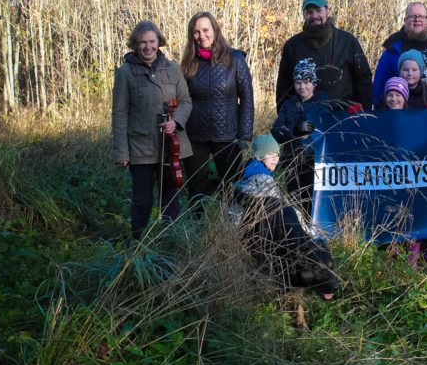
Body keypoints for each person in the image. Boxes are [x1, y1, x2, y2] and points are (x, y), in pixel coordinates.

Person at [232, 135, 339, 300]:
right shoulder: (264, 180)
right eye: (270, 154)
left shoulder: (249, 173)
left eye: (277, 154)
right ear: (259, 156)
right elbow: (271, 211)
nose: (275, 158)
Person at [112, 20, 193, 239]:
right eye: (143, 42)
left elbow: (186, 101)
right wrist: (122, 152)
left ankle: (169, 240)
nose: (148, 47)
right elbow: (119, 114)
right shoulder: (125, 73)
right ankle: (138, 244)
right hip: (140, 148)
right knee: (142, 200)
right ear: (136, 45)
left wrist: (175, 121)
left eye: (152, 41)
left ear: (159, 42)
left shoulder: (173, 69)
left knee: (171, 198)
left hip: (170, 147)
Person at [180, 12, 254, 213]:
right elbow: (182, 100)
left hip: (228, 136)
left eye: (205, 30)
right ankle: (197, 230)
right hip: (196, 136)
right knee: (196, 190)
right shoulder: (188, 63)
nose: (201, 35)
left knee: (233, 188)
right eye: (196, 32)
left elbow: (247, 98)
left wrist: (245, 134)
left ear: (214, 30)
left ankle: (233, 231)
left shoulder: (235, 59)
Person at [272, 59, 346, 216]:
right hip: (291, 160)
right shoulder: (289, 105)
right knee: (295, 198)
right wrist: (294, 131)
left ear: (314, 83)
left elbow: (329, 129)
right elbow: (276, 130)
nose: (302, 86)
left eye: (306, 82)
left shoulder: (323, 103)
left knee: (315, 199)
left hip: (315, 160)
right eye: (298, 82)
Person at [275, 0, 373, 110]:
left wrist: (363, 114)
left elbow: (363, 80)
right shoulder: (292, 46)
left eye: (318, 10)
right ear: (304, 15)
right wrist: (287, 119)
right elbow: (283, 88)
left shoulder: (348, 41)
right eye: (309, 12)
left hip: (343, 116)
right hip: (305, 118)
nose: (314, 16)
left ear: (328, 11)